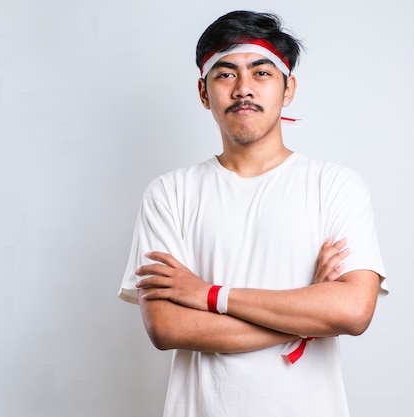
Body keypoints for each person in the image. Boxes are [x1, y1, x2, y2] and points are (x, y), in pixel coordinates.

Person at [119, 10, 388, 417]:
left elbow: (351, 312)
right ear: (203, 92)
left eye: (261, 73)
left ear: (288, 88)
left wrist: (208, 295)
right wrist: (309, 314)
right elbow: (166, 327)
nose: (243, 88)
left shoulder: (334, 185)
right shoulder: (170, 193)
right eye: (225, 74)